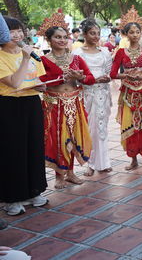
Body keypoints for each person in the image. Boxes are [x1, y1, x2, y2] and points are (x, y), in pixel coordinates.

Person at [0, 17, 48, 216]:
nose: (17, 35)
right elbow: (14, 82)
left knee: (34, 147)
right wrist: (26, 58)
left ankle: (33, 191)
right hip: (10, 107)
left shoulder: (31, 54)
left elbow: (36, 80)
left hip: (32, 103)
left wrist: (41, 86)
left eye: (19, 30)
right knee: (13, 151)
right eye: (12, 31)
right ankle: (12, 198)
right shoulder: (2, 56)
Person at [40, 22, 95, 189]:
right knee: (57, 139)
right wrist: (60, 78)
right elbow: (39, 81)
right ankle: (59, 176)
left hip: (74, 103)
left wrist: (80, 77)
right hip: (54, 105)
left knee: (74, 137)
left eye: (65, 37)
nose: (62, 40)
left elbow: (90, 79)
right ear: (48, 40)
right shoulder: (42, 60)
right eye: (57, 37)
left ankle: (71, 173)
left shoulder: (77, 59)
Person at [110, 16, 142, 171]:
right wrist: (126, 76)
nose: (135, 35)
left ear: (141, 33)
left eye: (137, 32)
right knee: (130, 125)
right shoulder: (120, 53)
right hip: (128, 94)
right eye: (131, 32)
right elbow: (113, 74)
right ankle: (133, 160)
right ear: (126, 34)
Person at [72, 20, 113, 177]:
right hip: (87, 94)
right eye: (92, 33)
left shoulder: (105, 52)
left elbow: (109, 73)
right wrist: (93, 80)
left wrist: (106, 78)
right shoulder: (77, 54)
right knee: (89, 129)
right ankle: (90, 163)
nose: (96, 36)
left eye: (97, 33)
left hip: (103, 93)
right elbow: (76, 77)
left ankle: (103, 162)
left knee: (102, 128)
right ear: (84, 34)